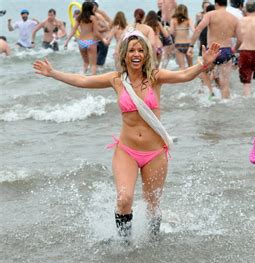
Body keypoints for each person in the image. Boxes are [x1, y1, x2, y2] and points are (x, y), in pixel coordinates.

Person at [33, 29, 221, 240]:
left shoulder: (155, 77)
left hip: (155, 153)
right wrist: (53, 73)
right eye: (132, 50)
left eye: (141, 50)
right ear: (124, 54)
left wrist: (203, 64)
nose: (136, 54)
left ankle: (154, 243)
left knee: (153, 205)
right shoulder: (116, 80)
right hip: (127, 151)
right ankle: (125, 244)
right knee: (124, 199)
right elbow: (83, 81)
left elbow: (184, 75)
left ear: (146, 54)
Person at [189, 0, 239, 99]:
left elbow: (198, 29)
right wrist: (234, 49)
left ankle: (210, 93)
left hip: (212, 51)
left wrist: (191, 46)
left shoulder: (210, 15)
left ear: (216, 4)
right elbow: (240, 37)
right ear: (226, 4)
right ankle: (225, 103)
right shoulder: (233, 18)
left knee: (202, 71)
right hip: (226, 50)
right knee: (225, 83)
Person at [64, 2, 106, 75]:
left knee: (85, 63)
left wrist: (66, 41)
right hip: (91, 42)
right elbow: (96, 33)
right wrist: (103, 40)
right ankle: (92, 82)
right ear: (90, 8)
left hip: (81, 42)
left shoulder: (79, 18)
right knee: (93, 65)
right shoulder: (93, 18)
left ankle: (81, 77)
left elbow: (74, 30)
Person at [170, 4, 194, 70]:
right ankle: (192, 80)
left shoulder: (173, 20)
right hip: (188, 44)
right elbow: (194, 31)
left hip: (178, 44)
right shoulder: (188, 20)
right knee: (191, 67)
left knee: (181, 67)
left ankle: (182, 80)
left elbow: (171, 32)